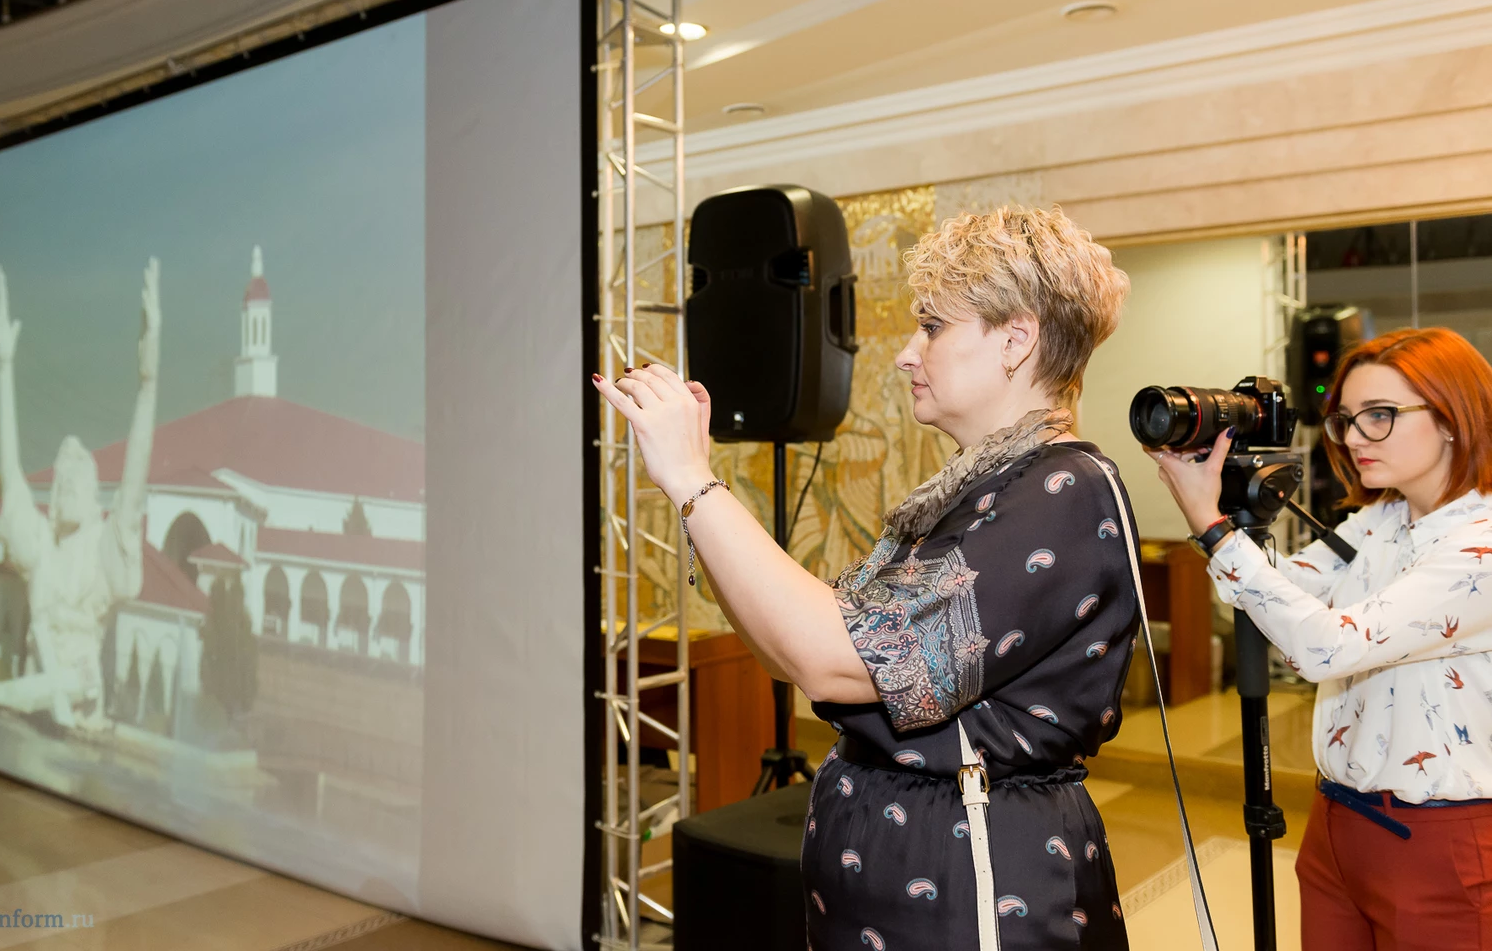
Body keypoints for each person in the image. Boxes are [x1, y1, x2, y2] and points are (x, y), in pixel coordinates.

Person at [595, 207, 1143, 950]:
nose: (906, 356)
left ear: (1016, 340)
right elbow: (792, 651)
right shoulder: (975, 491)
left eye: (932, 327)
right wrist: (697, 496)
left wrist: (694, 482)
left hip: (977, 881)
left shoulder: (1063, 491)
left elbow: (835, 658)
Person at [1153, 326, 1492, 951]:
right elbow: (1282, 590)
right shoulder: (1382, 518)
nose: (1355, 437)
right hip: (1338, 819)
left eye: (1380, 415)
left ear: (1452, 418)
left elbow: (1326, 646)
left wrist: (1213, 528)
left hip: (1435, 839)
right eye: (1345, 419)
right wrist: (1225, 512)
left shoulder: (1481, 546)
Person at [0, 259, 160, 731]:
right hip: (31, 709)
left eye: (74, 480)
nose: (63, 488)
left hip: (79, 714)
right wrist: (4, 368)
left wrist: (148, 385)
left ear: (93, 494)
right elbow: (11, 477)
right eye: (60, 481)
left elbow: (133, 488)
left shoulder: (102, 557)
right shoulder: (42, 547)